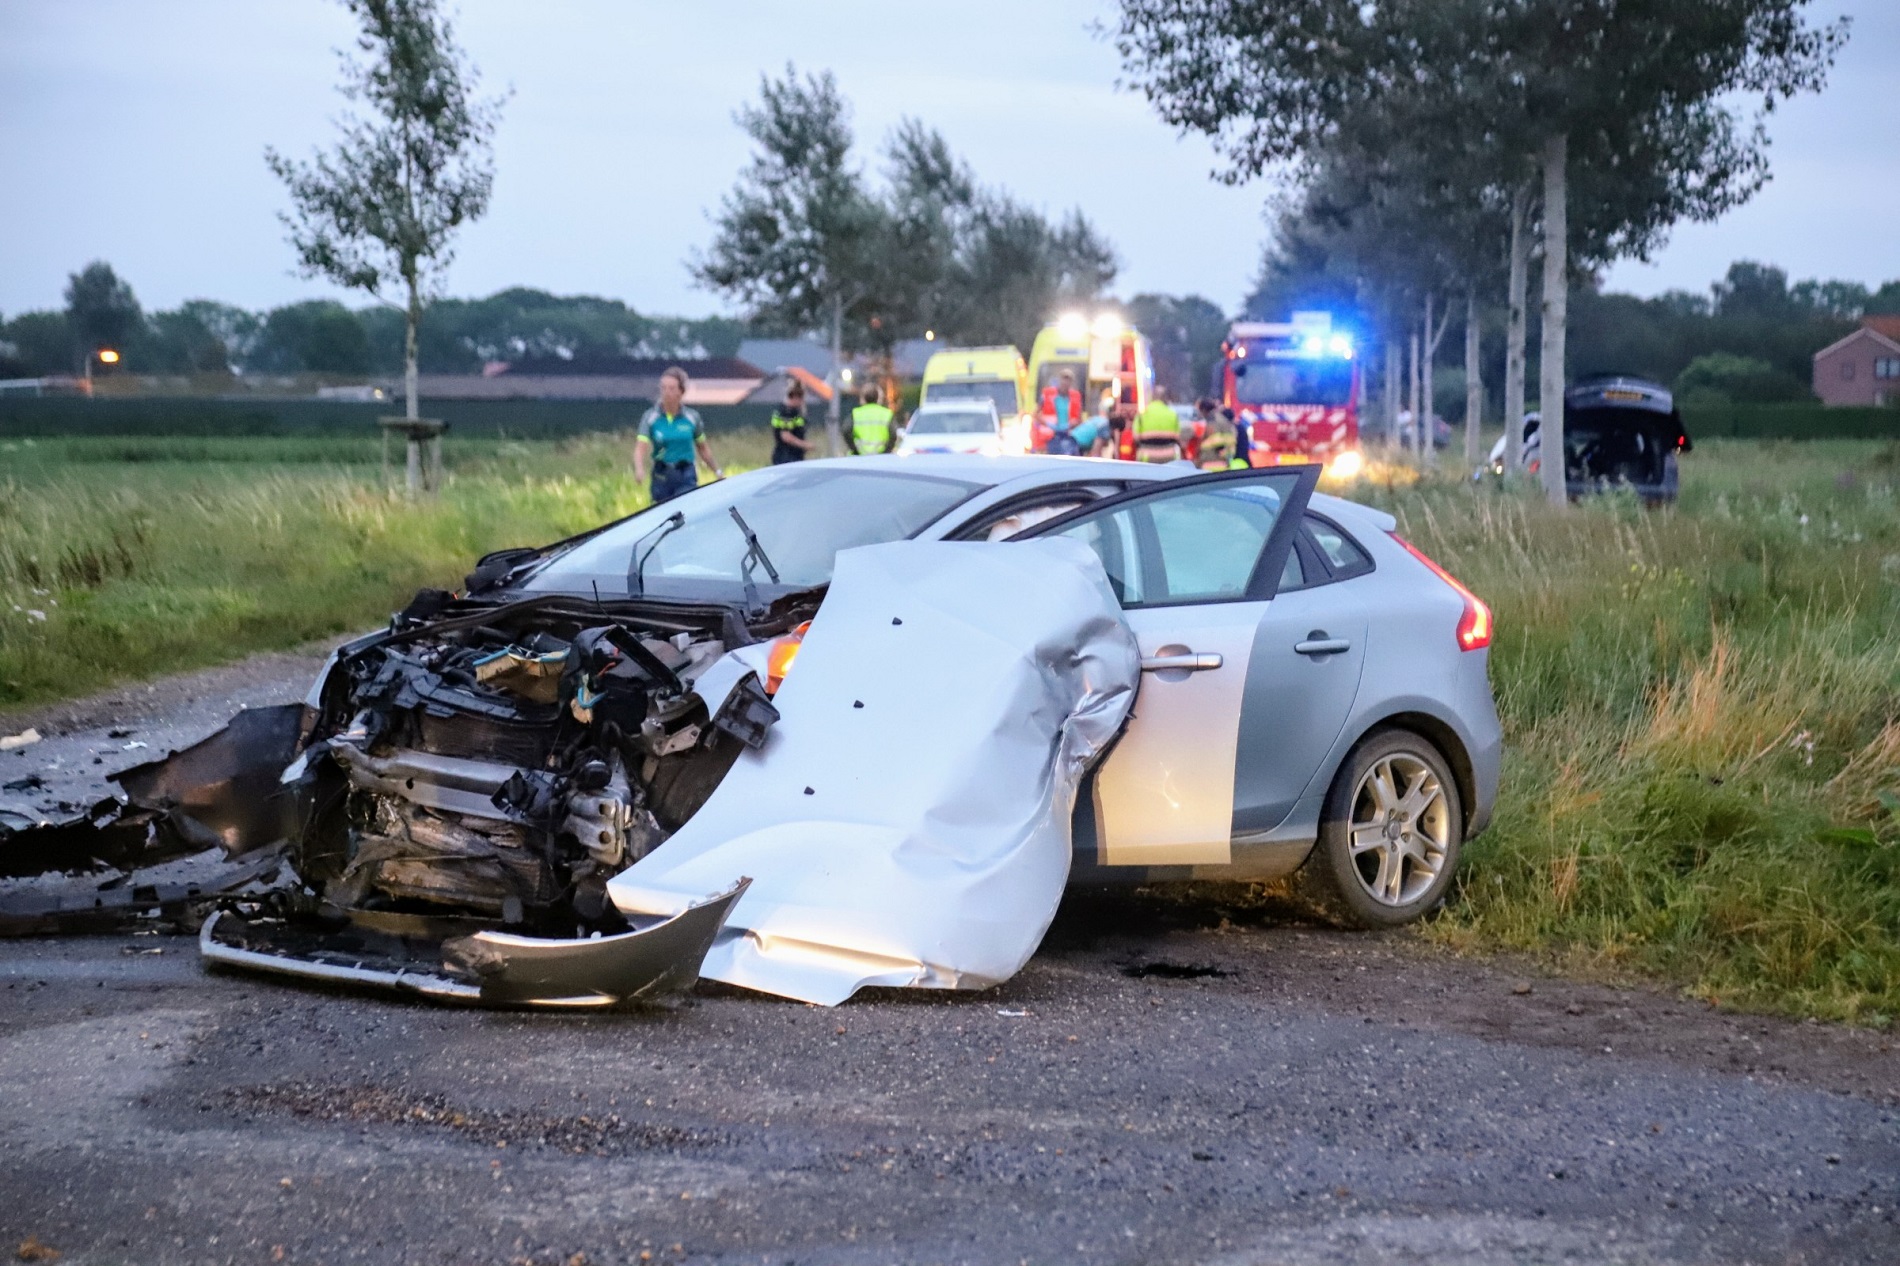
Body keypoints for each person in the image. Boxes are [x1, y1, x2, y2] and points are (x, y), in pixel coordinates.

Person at [633, 365, 722, 504]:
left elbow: (703, 448)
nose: (666, 392)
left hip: (685, 473)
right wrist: (639, 469)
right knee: (662, 515)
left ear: (681, 391)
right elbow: (640, 448)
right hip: (661, 474)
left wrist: (717, 472)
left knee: (685, 510)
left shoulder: (692, 417)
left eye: (671, 388)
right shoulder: (651, 417)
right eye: (663, 388)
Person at [1131, 386, 1183, 463]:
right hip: (1169, 459)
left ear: (1152, 397)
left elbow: (1135, 437)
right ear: (1165, 398)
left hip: (1147, 458)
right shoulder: (1173, 415)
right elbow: (1179, 437)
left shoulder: (1142, 415)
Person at [1194, 397, 1249, 470]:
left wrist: (1203, 445)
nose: (1198, 413)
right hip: (1220, 461)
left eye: (1198, 410)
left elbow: (1217, 440)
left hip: (1215, 463)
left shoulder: (1213, 420)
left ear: (1203, 410)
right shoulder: (1216, 418)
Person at [1039, 369, 1085, 455]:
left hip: (1069, 434)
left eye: (1068, 381)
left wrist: (1072, 424)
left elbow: (1079, 419)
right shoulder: (1048, 394)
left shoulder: (1075, 397)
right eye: (1063, 380)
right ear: (1059, 380)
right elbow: (1036, 414)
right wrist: (1047, 423)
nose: (1065, 383)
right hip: (1051, 435)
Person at [770, 379, 814, 465]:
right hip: (786, 457)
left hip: (792, 455)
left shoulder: (792, 411)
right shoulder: (787, 412)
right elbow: (786, 436)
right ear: (796, 396)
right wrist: (805, 445)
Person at [847, 384, 895, 455]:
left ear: (863, 398)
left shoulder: (856, 414)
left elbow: (846, 430)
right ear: (878, 398)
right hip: (880, 459)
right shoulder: (886, 414)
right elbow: (893, 434)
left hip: (859, 459)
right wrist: (886, 452)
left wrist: (855, 450)